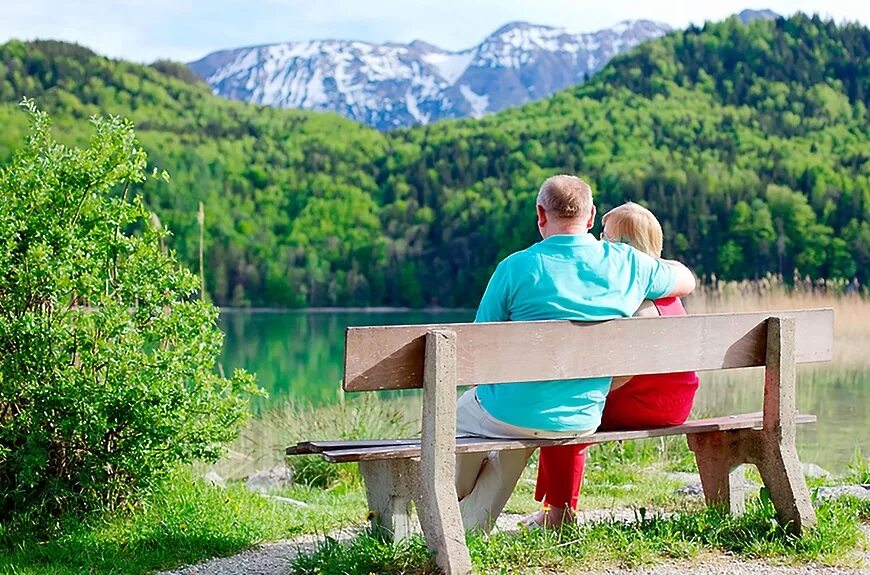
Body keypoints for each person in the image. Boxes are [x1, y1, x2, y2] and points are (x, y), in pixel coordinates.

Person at [455, 177, 696, 532]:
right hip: (580, 417)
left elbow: (474, 351)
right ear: (591, 216)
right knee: (519, 430)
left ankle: (450, 498)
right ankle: (469, 528)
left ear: (540, 215)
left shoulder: (514, 267)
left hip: (515, 411)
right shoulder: (628, 264)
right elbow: (685, 280)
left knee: (464, 417)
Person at [523, 201, 701, 529]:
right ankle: (553, 510)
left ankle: (559, 514)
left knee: (567, 411)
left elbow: (624, 373)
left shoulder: (635, 298)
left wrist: (586, 391)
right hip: (677, 403)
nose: (600, 245)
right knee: (569, 403)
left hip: (644, 403)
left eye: (604, 239)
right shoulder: (665, 286)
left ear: (622, 248)